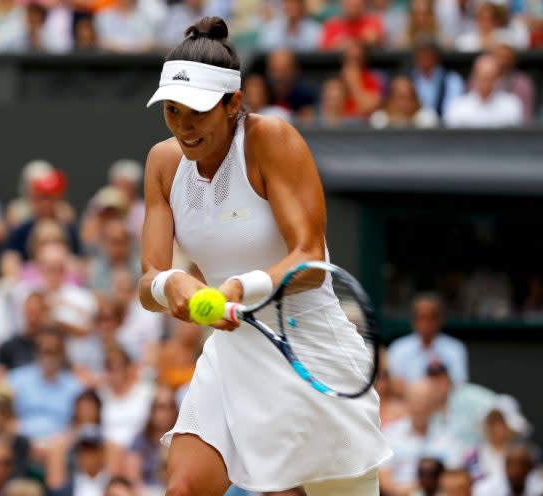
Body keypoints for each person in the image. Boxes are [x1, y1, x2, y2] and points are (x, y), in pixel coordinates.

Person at [141, 17, 390, 495]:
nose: (183, 126)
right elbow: (149, 279)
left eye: (196, 111)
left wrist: (239, 288)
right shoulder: (162, 162)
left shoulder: (271, 139)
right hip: (232, 354)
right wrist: (169, 285)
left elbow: (309, 259)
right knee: (184, 488)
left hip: (311, 350)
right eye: (171, 110)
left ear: (233, 103)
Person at [6, 328, 83, 443]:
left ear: (62, 354)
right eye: (45, 351)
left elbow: (79, 424)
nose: (49, 357)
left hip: (60, 446)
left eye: (54, 352)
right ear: (37, 353)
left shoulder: (75, 387)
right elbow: (5, 415)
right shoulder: (16, 379)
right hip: (22, 443)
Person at [387, 293, 468, 387]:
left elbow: (459, 384)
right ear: (414, 320)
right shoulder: (398, 347)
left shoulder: (455, 348)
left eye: (431, 318)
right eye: (422, 317)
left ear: (440, 319)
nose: (426, 324)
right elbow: (394, 385)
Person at [444, 54, 524, 128]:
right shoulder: (458, 106)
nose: (486, 82)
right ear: (474, 77)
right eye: (483, 77)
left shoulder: (511, 105)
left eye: (491, 77)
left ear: (498, 78)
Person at [464, 394, 532, 480]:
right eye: (491, 422)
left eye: (501, 423)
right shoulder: (471, 455)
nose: (495, 429)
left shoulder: (525, 455)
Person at [409, 39, 464, 119]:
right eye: (422, 55)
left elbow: (454, 110)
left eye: (428, 54)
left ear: (436, 57)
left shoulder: (452, 80)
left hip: (444, 127)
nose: (425, 59)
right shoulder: (408, 79)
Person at [473, 442, 543, 496]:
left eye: (521, 465)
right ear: (505, 466)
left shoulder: (538, 488)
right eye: (511, 464)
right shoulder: (485, 490)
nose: (516, 470)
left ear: (529, 468)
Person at [369, 76, 439, 129]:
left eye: (408, 98)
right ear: (390, 99)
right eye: (399, 97)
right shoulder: (379, 118)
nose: (403, 103)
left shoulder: (427, 117)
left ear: (415, 100)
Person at [492, 42, 536, 123]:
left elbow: (526, 116)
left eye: (506, 58)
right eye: (499, 57)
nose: (502, 62)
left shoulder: (523, 83)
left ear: (513, 60)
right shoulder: (481, 78)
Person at [256, 0, 322, 51]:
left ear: (302, 6)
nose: (291, 7)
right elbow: (265, 49)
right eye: (288, 3)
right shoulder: (272, 27)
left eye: (295, 3)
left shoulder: (315, 29)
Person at [320, 0, 384, 49]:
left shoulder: (373, 22)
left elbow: (375, 40)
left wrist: (349, 42)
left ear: (363, 6)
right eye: (349, 6)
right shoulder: (332, 25)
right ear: (343, 6)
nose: (353, 9)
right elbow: (325, 48)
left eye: (356, 6)